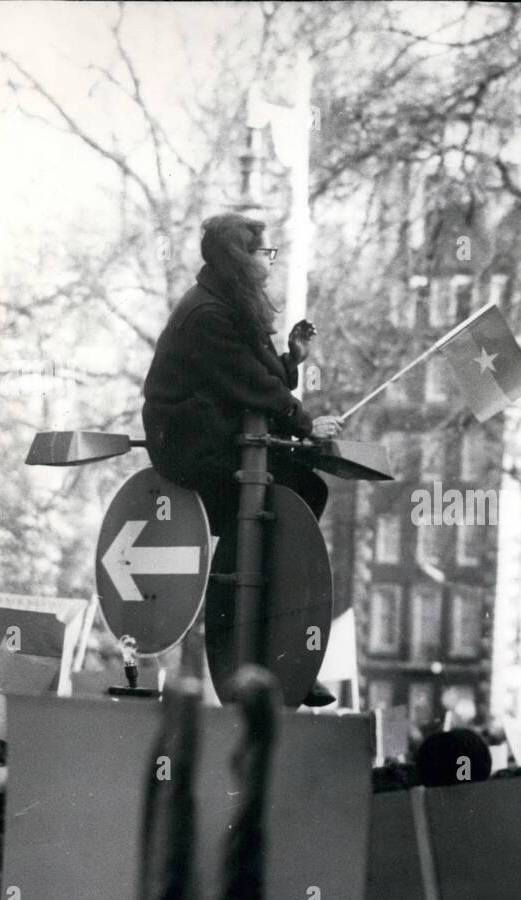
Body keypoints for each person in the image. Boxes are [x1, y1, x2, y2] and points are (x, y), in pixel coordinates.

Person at [142, 214, 346, 706]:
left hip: (216, 437)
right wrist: (304, 422)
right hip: (192, 446)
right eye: (266, 253)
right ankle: (250, 623)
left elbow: (259, 374)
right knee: (292, 495)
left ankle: (261, 624)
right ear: (242, 257)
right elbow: (247, 384)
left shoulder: (225, 304)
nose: (272, 263)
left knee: (303, 491)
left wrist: (291, 360)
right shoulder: (210, 314)